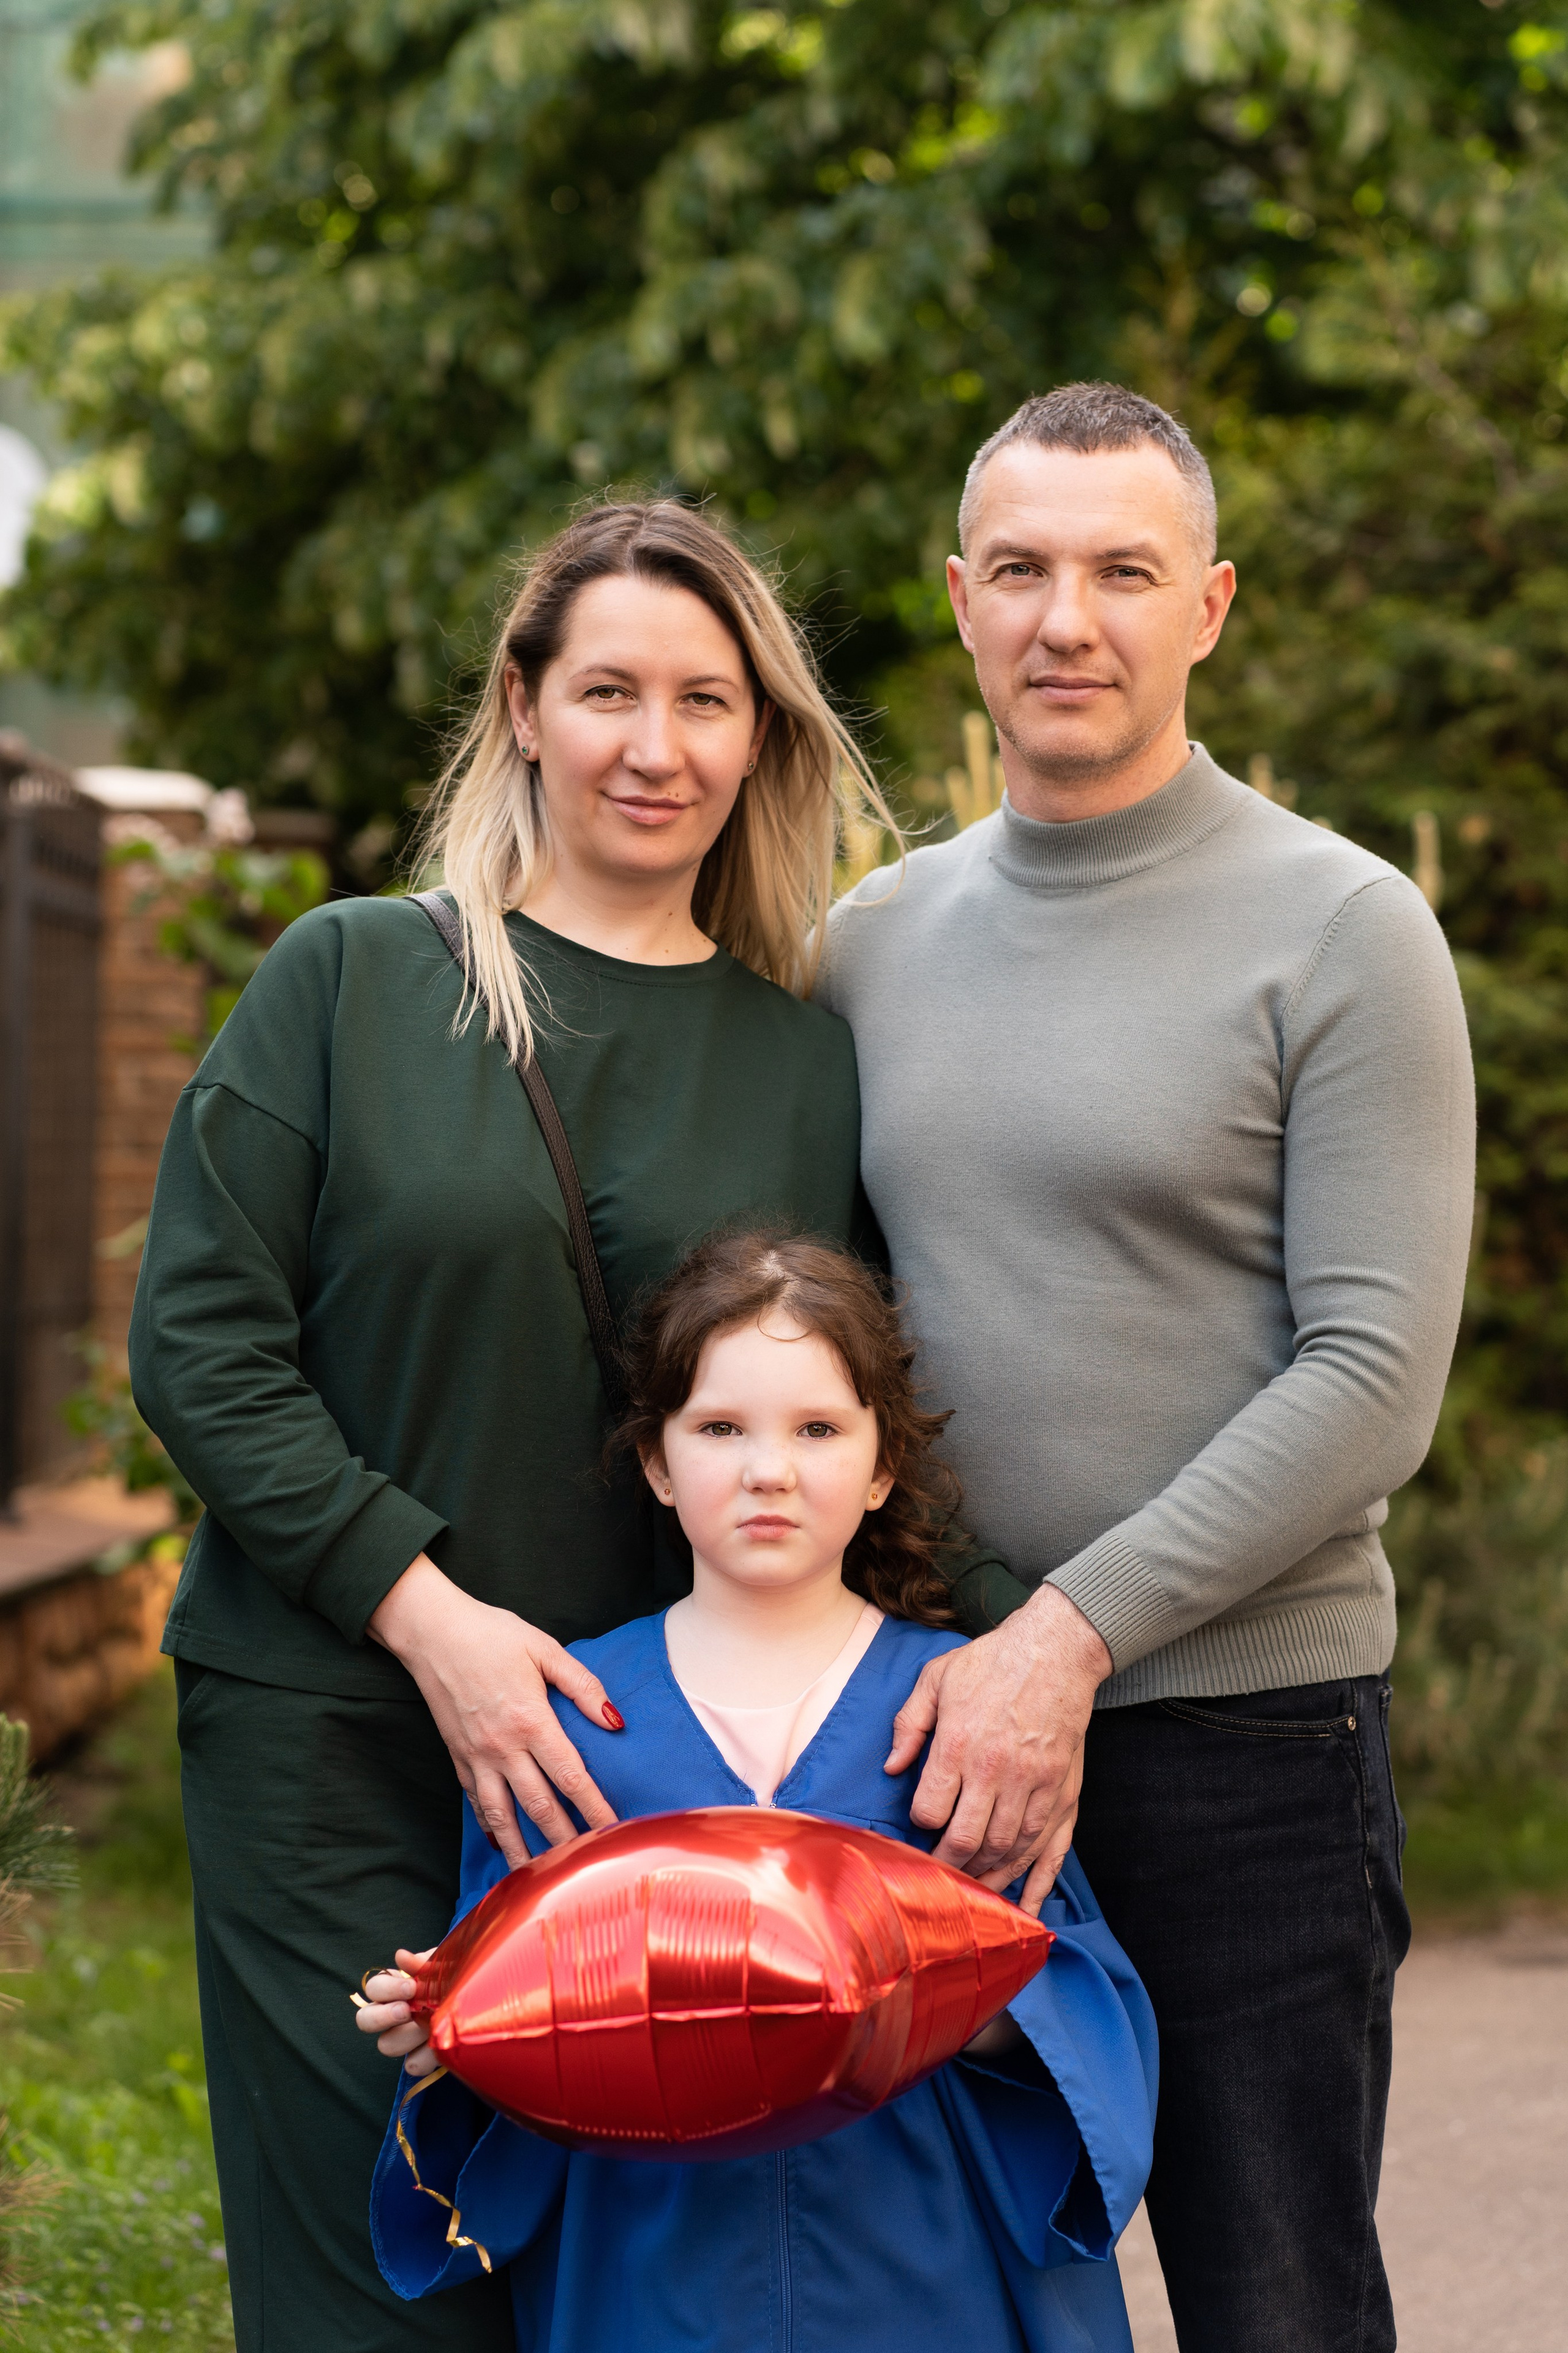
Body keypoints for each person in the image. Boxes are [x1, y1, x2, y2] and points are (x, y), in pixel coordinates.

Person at [128, 501, 916, 2350]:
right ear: (523, 705)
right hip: (331, 1730)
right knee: (383, 2264)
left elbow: (836, 1410)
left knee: (608, 2282)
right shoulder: (354, 979)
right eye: (609, 691)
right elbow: (202, 1340)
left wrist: (1024, 1649)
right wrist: (433, 1619)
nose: (657, 746)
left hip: (633, 1765)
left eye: (706, 700)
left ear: (760, 736)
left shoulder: (805, 1059)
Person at [817, 383, 1476, 2349]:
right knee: (958, 2302)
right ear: (960, 599)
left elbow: (1375, 1374)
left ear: (1211, 605)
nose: (1067, 620)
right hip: (934, 1743)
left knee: (1274, 2299)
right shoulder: (870, 941)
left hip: (1245, 1749)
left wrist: (1071, 1639)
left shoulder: (1346, 928)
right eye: (1021, 570)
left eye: (1124, 571)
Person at [356, 1234, 1157, 2352]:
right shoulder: (571, 1724)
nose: (768, 1469)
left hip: (926, 2271)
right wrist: (455, 2026)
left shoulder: (961, 1712)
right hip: (651, 2277)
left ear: (882, 1466)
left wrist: (934, 1998)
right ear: (657, 1459)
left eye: (818, 1429)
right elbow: (504, 1994)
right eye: (720, 1428)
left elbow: (1069, 2000)